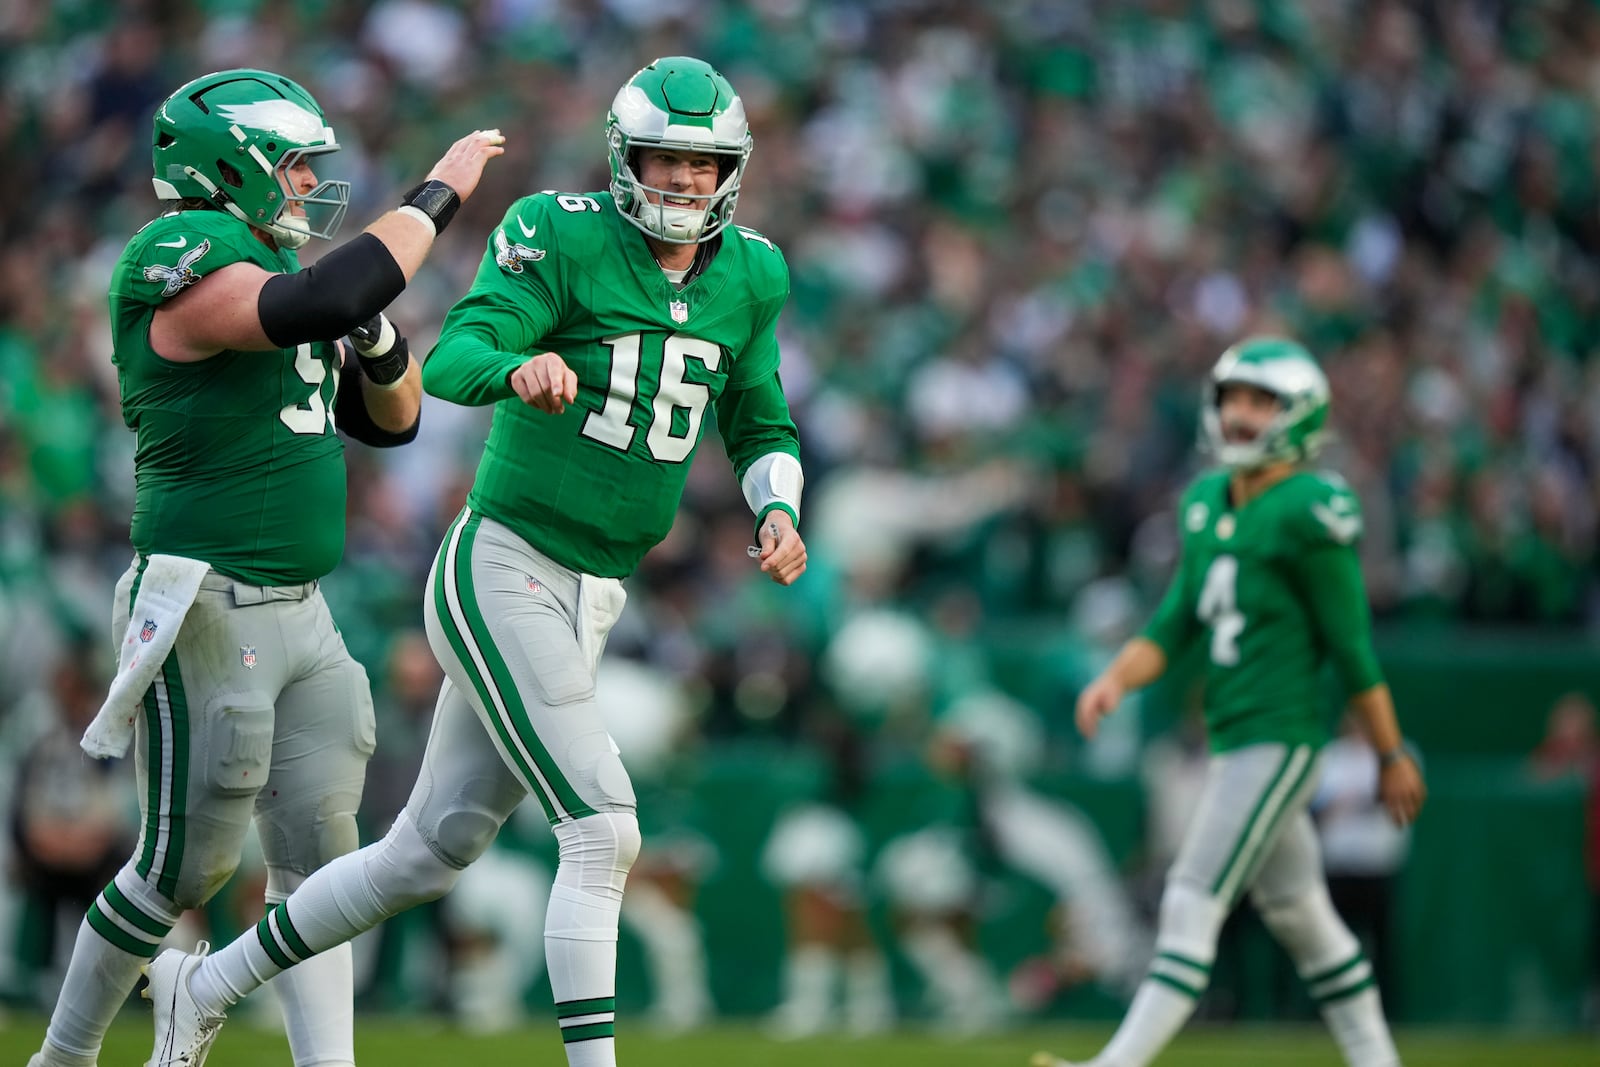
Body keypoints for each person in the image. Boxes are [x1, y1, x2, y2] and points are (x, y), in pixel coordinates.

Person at [142, 55, 807, 1067]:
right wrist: (519, 366)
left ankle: (208, 979)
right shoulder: (562, 229)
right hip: (505, 562)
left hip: (594, 588)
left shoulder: (754, 270)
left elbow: (760, 413)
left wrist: (776, 505)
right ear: (627, 159)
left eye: (700, 163)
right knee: (603, 826)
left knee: (424, 851)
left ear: (731, 172)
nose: (681, 181)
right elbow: (453, 354)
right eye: (665, 159)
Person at [28, 67, 502, 1067]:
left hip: (305, 608)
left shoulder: (282, 266)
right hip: (208, 601)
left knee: (319, 864)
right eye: (288, 160)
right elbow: (319, 296)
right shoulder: (181, 249)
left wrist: (374, 338)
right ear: (228, 163)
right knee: (182, 865)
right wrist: (437, 193)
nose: (302, 179)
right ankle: (62, 1055)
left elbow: (396, 419)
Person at [1033, 337, 1427, 1067]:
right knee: (1303, 916)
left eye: (1260, 400)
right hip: (1232, 734)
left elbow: (1352, 645)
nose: (1241, 414)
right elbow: (1176, 618)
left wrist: (1389, 749)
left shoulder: (1312, 506)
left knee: (1189, 898)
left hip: (1280, 736)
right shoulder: (1207, 501)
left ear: (1301, 414)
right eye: (1233, 398)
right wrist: (1118, 677)